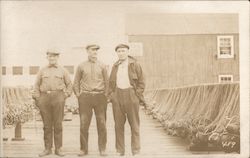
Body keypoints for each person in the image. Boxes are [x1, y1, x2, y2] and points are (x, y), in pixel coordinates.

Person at [32, 49, 72, 157]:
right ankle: (47, 148)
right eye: (50, 56)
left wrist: (65, 95)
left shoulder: (63, 70)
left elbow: (69, 85)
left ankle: (58, 149)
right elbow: (36, 85)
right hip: (44, 98)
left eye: (54, 56)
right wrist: (38, 98)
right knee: (46, 125)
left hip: (58, 97)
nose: (52, 58)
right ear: (47, 58)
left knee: (58, 124)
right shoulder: (42, 70)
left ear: (57, 58)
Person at [109, 44, 145, 156]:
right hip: (118, 95)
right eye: (119, 51)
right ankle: (120, 150)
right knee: (118, 125)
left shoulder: (135, 65)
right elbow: (111, 83)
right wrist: (112, 96)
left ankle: (136, 150)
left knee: (134, 124)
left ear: (128, 52)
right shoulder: (115, 66)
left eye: (123, 51)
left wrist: (136, 95)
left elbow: (142, 82)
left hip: (131, 95)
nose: (121, 53)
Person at [73, 44, 109, 156]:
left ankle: (102, 149)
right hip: (85, 97)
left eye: (96, 50)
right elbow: (76, 82)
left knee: (102, 124)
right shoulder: (81, 66)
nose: (94, 52)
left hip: (99, 97)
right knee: (84, 124)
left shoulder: (102, 65)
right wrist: (79, 95)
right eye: (92, 50)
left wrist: (106, 95)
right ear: (87, 51)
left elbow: (107, 82)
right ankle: (83, 149)